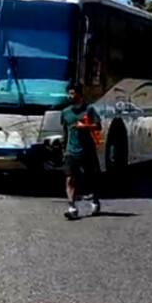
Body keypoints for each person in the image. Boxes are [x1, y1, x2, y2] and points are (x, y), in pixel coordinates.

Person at [61, 83, 102, 219]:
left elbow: (98, 126)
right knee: (69, 179)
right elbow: (65, 131)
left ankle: (95, 201)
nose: (70, 96)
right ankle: (72, 206)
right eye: (69, 93)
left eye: (73, 93)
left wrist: (85, 126)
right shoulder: (65, 112)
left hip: (87, 151)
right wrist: (64, 149)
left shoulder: (89, 109)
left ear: (79, 94)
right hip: (71, 151)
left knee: (91, 178)